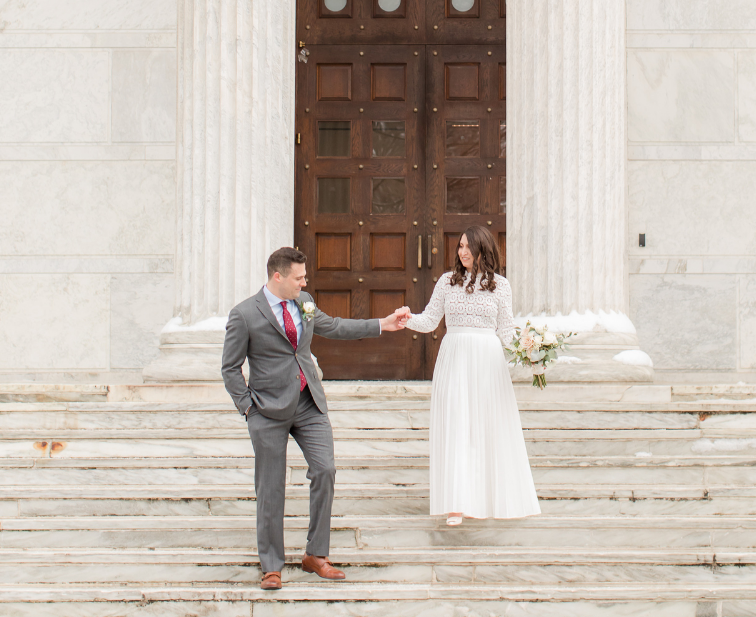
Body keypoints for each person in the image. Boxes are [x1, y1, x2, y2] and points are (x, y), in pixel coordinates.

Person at [221, 245, 410, 590]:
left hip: (309, 404)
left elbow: (334, 326)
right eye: (299, 277)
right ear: (277, 277)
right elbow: (230, 368)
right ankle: (272, 566)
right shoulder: (244, 314)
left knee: (325, 470)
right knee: (271, 488)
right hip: (267, 410)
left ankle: (315, 555)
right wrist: (248, 408)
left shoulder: (303, 302)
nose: (305, 282)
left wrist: (381, 324)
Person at [401, 224, 540, 525]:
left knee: (486, 426)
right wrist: (406, 319)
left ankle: (488, 498)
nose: (462, 252)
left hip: (488, 362)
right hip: (454, 358)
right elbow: (428, 321)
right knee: (456, 426)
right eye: (460, 246)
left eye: (468, 246)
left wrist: (530, 349)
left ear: (483, 249)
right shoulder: (447, 282)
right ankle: (455, 504)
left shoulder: (500, 285)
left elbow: (506, 329)